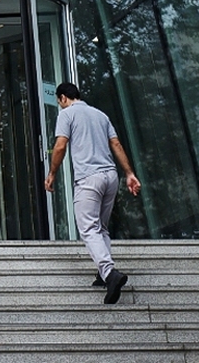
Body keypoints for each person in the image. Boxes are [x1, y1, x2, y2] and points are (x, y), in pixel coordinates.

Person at [44, 81, 141, 304]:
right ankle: (102, 273)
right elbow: (116, 145)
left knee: (88, 228)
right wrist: (129, 173)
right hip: (110, 177)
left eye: (59, 102)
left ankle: (109, 273)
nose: (60, 105)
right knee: (101, 227)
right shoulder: (100, 115)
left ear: (63, 98)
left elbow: (60, 146)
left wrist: (52, 174)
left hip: (89, 178)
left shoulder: (67, 114)